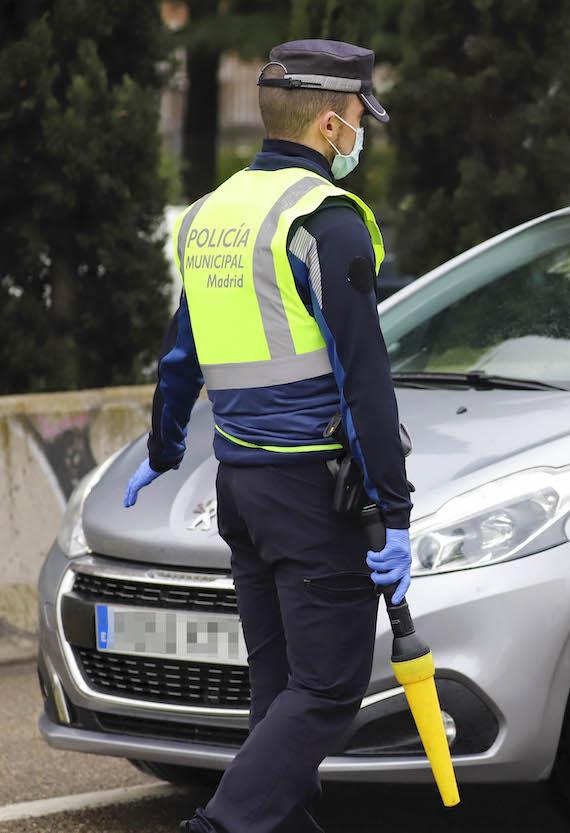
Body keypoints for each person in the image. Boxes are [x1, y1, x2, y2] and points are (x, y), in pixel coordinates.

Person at [121, 39, 413, 833]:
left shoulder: (213, 216)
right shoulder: (325, 221)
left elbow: (182, 354)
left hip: (241, 488)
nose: (361, 133)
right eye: (360, 118)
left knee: (279, 688)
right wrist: (397, 511)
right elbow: (364, 381)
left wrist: (162, 448)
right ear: (329, 123)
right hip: (311, 494)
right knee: (325, 692)